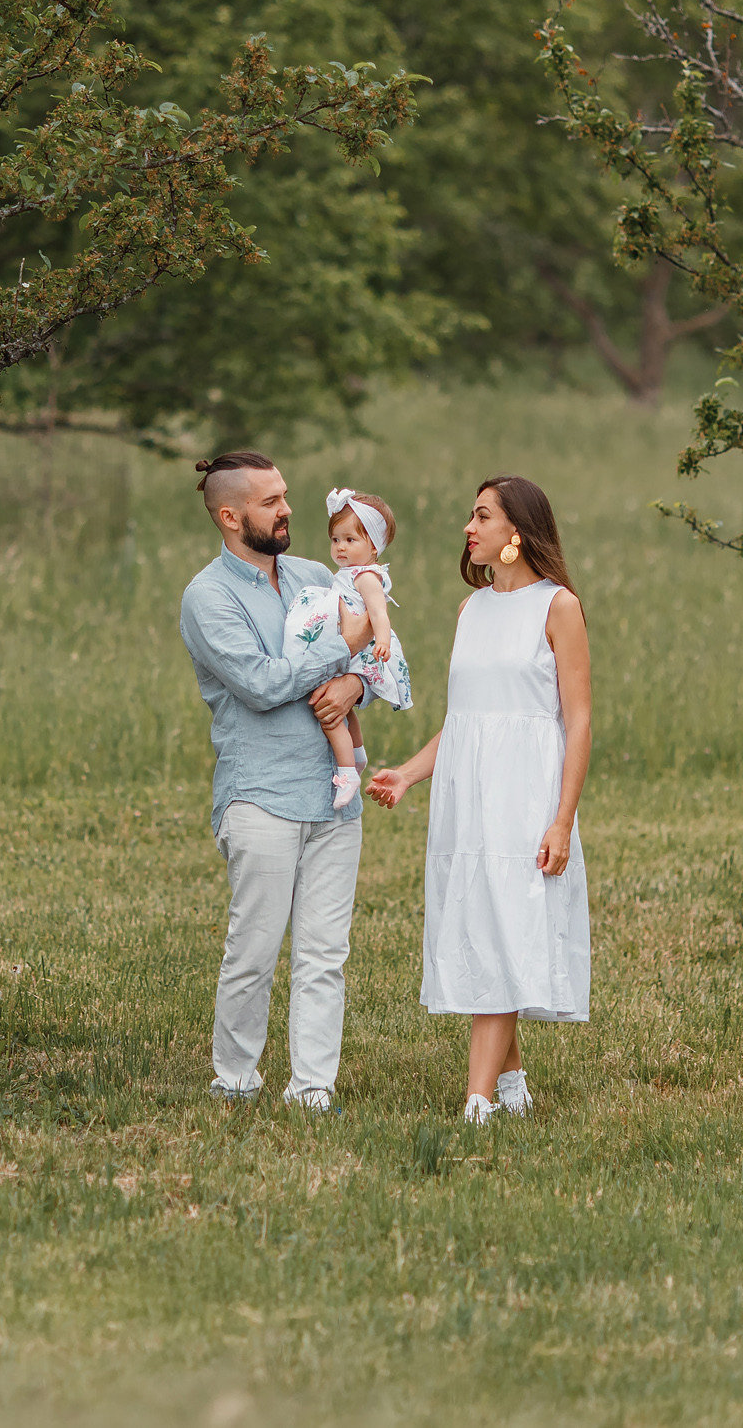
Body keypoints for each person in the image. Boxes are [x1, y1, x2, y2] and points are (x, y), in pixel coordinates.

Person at [369, 475, 593, 1124]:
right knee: (484, 928)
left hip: (525, 796)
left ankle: (478, 1101)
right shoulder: (471, 611)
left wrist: (561, 819)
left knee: (504, 930)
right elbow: (466, 721)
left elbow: (578, 720)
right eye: (472, 516)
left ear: (516, 531)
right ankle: (513, 1082)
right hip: (468, 800)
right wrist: (408, 774)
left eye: (482, 516)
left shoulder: (559, 607)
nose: (469, 527)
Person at [178, 451, 382, 1111]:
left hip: (333, 794)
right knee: (254, 950)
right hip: (260, 794)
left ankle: (312, 1089)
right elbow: (262, 685)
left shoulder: (316, 575)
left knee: (325, 954)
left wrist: (355, 685)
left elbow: (368, 663)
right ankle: (235, 1081)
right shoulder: (209, 597)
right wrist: (344, 651)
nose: (287, 509)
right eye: (270, 502)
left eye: (285, 495)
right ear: (230, 516)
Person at [279, 488, 411, 809]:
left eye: (350, 540)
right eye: (336, 539)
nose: (340, 547)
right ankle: (357, 754)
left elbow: (379, 613)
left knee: (327, 712)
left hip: (360, 650)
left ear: (374, 546)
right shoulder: (351, 573)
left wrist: (382, 640)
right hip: (348, 645)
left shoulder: (366, 577)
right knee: (344, 707)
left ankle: (347, 772)